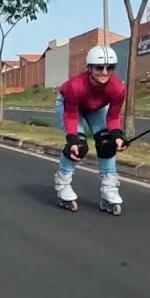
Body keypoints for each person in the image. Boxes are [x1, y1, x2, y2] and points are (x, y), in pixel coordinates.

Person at [53, 44, 128, 213]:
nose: (104, 72)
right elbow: (71, 115)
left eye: (110, 68)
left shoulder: (118, 88)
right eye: (99, 67)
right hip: (69, 106)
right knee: (78, 146)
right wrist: (72, 138)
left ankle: (109, 188)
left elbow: (114, 116)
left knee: (107, 144)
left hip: (97, 107)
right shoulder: (76, 86)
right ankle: (62, 182)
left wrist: (117, 135)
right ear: (89, 68)